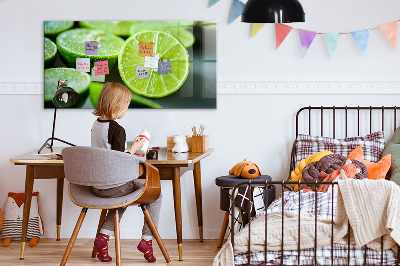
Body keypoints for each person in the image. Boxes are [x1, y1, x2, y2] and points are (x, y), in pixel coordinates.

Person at [91, 82, 161, 263]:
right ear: (118, 105)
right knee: (156, 194)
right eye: (127, 105)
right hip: (114, 186)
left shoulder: (96, 125)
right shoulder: (117, 129)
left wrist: (130, 149)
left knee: (121, 198)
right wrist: (136, 148)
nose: (126, 109)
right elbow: (119, 161)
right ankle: (147, 240)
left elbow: (108, 154)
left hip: (97, 186)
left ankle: (103, 238)